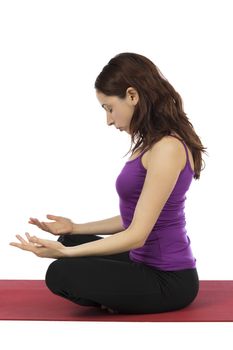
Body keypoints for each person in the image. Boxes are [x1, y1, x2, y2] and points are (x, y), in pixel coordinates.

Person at [10, 52, 208, 315]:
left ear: (133, 96)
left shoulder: (167, 149)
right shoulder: (150, 144)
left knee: (61, 272)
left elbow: (137, 235)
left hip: (168, 279)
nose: (109, 120)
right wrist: (74, 227)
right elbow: (133, 219)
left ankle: (121, 295)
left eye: (109, 108)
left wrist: (65, 255)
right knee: (72, 239)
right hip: (141, 260)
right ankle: (118, 293)